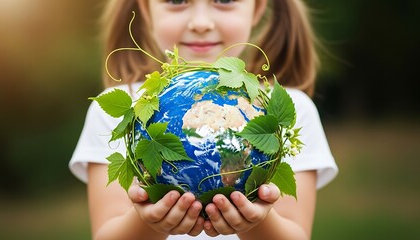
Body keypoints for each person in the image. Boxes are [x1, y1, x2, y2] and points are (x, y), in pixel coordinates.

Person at [69, 0, 338, 239]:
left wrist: (255, 221)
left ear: (257, 8)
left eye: (224, 0)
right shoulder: (126, 108)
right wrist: (150, 222)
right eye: (176, 0)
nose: (200, 23)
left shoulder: (283, 114)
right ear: (146, 9)